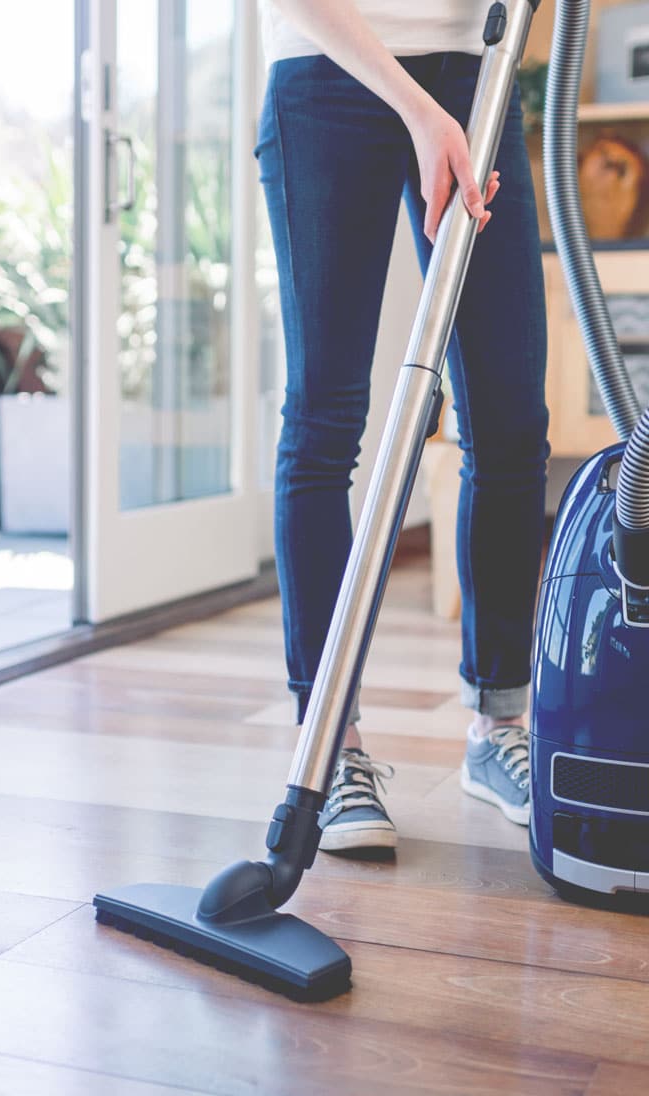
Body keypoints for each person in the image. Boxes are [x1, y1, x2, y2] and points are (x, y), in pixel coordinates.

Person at [255, 0, 550, 852]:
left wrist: (450, 103)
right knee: (325, 416)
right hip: (324, 69)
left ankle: (499, 725)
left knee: (507, 417)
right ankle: (329, 743)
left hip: (475, 74)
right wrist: (419, 112)